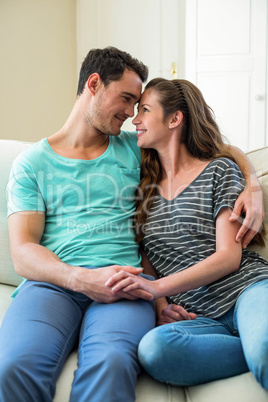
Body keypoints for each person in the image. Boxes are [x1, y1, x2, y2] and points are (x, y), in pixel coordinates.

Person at [0, 47, 264, 401]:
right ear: (94, 84)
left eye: (139, 105)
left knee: (110, 363)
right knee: (13, 366)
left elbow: (214, 148)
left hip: (125, 285)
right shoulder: (31, 164)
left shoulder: (134, 147)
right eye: (126, 99)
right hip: (55, 283)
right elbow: (23, 253)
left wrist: (253, 184)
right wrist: (79, 278)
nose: (130, 114)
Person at [105, 78, 268, 390]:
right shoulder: (143, 189)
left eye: (145, 110)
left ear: (174, 119)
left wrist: (153, 289)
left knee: (264, 347)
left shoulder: (218, 170)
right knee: (154, 350)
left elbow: (228, 258)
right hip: (197, 319)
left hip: (247, 292)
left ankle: (257, 341)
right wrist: (162, 306)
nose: (135, 119)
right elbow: (148, 263)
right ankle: (251, 342)